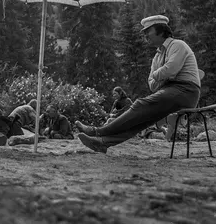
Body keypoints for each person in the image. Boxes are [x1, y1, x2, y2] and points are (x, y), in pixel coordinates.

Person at [75, 15, 201, 153]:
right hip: (169, 93)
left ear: (161, 30)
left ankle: (97, 132)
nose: (145, 35)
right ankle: (103, 143)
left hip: (186, 92)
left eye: (148, 31)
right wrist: (162, 75)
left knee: (140, 104)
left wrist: (158, 74)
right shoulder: (157, 57)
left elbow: (171, 69)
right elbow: (152, 85)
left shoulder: (178, 45)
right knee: (143, 119)